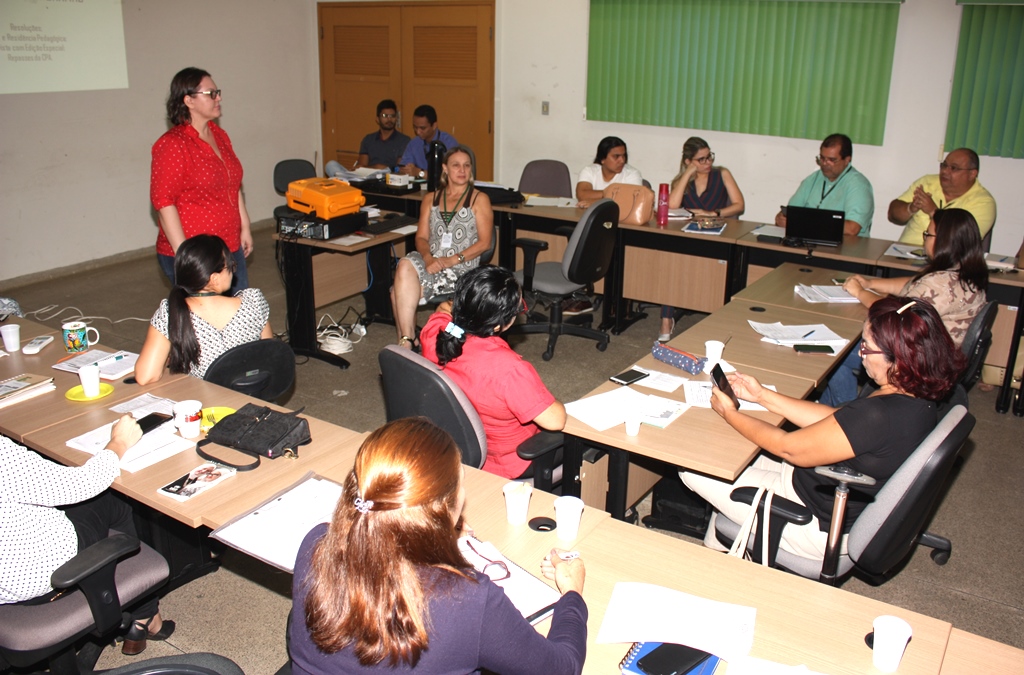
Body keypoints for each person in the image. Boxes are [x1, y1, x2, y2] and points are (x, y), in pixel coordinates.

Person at [290, 418, 587, 674]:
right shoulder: (468, 600)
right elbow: (562, 667)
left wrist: (436, 537)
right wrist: (572, 594)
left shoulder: (315, 547)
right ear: (444, 508)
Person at [682, 297, 966, 563]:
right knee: (723, 449)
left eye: (867, 347)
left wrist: (730, 413)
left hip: (811, 519)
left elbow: (788, 447)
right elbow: (839, 419)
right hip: (821, 486)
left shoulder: (881, 415)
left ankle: (720, 562)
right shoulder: (915, 397)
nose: (861, 353)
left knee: (690, 463)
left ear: (898, 357)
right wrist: (761, 396)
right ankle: (717, 557)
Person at [1, 416, 174, 656]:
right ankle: (145, 616)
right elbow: (82, 484)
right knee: (110, 499)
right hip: (43, 576)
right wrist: (118, 442)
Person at [819, 208, 988, 406]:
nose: (924, 239)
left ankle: (844, 413)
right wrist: (870, 284)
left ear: (945, 240)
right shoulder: (963, 273)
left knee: (836, 353)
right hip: (934, 352)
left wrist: (859, 292)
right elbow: (912, 284)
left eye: (928, 234)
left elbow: (896, 316)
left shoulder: (942, 284)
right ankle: (824, 410)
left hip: (922, 361)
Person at [419, 266, 567, 480]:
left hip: (459, 449)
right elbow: (556, 421)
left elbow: (442, 309)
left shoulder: (436, 334)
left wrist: (459, 313)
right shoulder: (509, 370)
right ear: (499, 325)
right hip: (510, 461)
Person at [151, 67, 253, 292]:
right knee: (207, 323)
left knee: (239, 316)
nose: (219, 98)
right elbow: (163, 202)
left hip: (228, 246)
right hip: (196, 255)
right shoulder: (173, 144)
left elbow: (233, 184)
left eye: (218, 92)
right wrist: (186, 258)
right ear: (189, 100)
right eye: (211, 93)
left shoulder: (219, 135)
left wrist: (244, 227)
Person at [390, 145, 493, 349]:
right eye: (456, 165)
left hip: (462, 266)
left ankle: (406, 341)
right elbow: (420, 237)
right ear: (445, 168)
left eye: (466, 165)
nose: (462, 170)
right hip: (432, 260)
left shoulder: (479, 199)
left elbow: (484, 243)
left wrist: (452, 260)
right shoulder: (431, 199)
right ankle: (408, 340)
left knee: (396, 292)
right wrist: (428, 258)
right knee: (404, 264)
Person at [135, 234, 272, 384]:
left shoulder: (170, 313)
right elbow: (270, 359)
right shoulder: (254, 302)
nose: (233, 272)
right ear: (214, 278)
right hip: (252, 398)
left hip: (204, 403)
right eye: (230, 266)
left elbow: (145, 376)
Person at [660, 137, 746, 341]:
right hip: (689, 234)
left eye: (709, 157)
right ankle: (666, 319)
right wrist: (688, 173)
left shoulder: (722, 174)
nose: (708, 163)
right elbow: (671, 205)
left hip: (716, 234)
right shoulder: (683, 181)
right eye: (701, 159)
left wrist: (713, 213)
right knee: (671, 264)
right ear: (689, 161)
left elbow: (738, 205)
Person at [889, 148, 996, 246]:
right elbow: (892, 215)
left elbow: (964, 241)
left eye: (954, 168)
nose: (945, 171)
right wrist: (910, 208)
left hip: (947, 263)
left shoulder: (984, 202)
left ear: (972, 174)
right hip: (903, 257)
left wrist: (933, 212)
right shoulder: (927, 183)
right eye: (944, 165)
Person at [774, 133, 874, 237]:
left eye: (832, 160)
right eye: (822, 158)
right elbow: (791, 213)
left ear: (847, 160)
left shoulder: (859, 185)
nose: (824, 163)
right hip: (812, 242)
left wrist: (806, 223)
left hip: (846, 247)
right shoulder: (813, 179)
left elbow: (852, 229)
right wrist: (780, 218)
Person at [575, 136, 644, 209]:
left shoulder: (632, 174)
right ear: (602, 159)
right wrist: (613, 195)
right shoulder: (589, 171)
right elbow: (582, 195)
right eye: (616, 156)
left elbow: (631, 201)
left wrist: (596, 202)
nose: (622, 161)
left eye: (623, 156)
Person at [398, 104, 458, 176]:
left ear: (434, 126)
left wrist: (420, 173)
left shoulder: (449, 143)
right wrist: (407, 169)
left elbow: (451, 175)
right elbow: (402, 168)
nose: (418, 132)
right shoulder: (414, 143)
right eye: (415, 127)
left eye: (422, 128)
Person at [356, 99, 410, 169]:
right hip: (369, 178)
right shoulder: (368, 139)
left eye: (392, 116)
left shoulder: (404, 141)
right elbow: (361, 167)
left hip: (391, 178)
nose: (389, 119)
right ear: (377, 119)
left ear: (396, 118)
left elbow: (400, 169)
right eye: (385, 116)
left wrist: (381, 168)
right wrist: (377, 167)